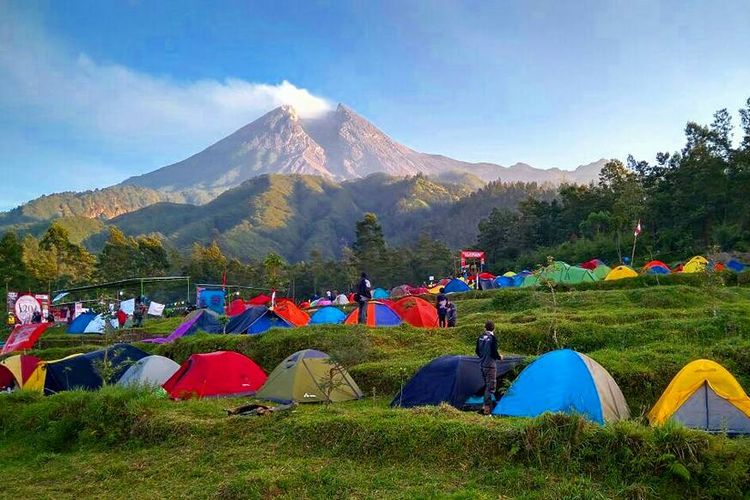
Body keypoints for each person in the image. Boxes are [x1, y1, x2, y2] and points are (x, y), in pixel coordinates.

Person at [476, 321, 502, 415]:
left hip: (482, 365)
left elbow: (477, 351)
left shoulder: (480, 338)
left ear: (485, 328)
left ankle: (484, 407)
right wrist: (499, 357)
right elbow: (494, 352)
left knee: (486, 386)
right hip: (490, 366)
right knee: (490, 387)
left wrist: (483, 357)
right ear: (493, 329)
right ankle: (487, 410)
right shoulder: (493, 339)